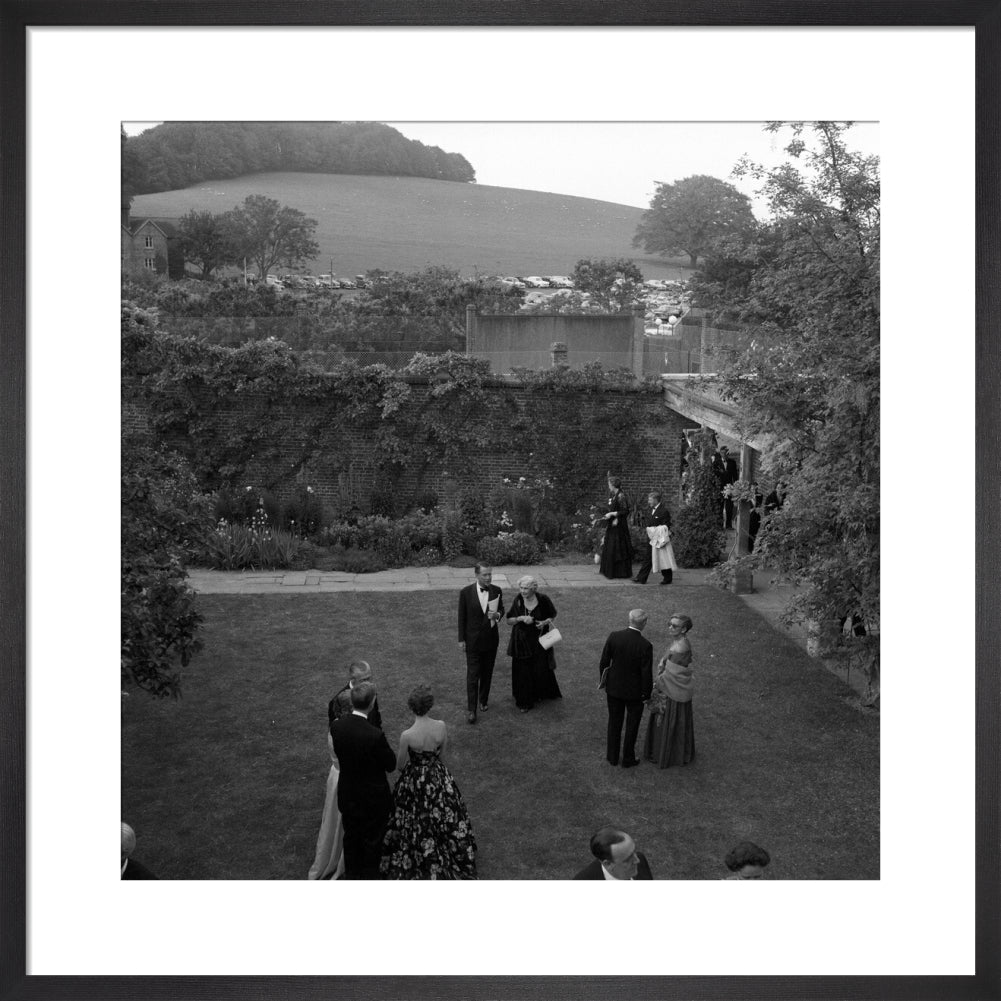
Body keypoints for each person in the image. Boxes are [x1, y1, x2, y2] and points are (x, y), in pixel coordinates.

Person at [380, 684, 477, 879]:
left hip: (414, 780)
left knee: (412, 817)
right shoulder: (440, 726)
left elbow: (399, 765)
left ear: (411, 706)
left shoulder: (407, 735)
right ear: (429, 705)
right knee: (444, 813)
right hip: (437, 776)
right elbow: (443, 754)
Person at [330, 680, 396, 879]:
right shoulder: (374, 735)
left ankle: (352, 876)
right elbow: (391, 764)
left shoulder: (337, 727)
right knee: (372, 842)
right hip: (372, 799)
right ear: (371, 703)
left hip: (348, 793)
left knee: (351, 838)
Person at [598, 609, 653, 767]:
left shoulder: (614, 636)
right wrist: (646, 694)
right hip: (635, 693)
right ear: (644, 623)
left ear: (629, 620)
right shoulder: (645, 645)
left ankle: (612, 757)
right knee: (632, 725)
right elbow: (646, 673)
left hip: (614, 689)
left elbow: (604, 662)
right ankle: (628, 758)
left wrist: (604, 680)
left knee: (614, 722)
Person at [643, 613, 695, 768]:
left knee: (667, 721)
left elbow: (671, 674)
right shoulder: (680, 642)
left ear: (684, 629)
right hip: (672, 689)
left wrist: (656, 684)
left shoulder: (680, 648)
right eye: (669, 624)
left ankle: (665, 753)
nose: (670, 628)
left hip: (671, 693)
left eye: (675, 626)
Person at [505, 575, 562, 713]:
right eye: (521, 588)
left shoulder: (543, 599)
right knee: (523, 671)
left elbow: (552, 615)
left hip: (540, 640)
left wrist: (543, 622)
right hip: (521, 642)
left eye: (526, 588)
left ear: (533, 589)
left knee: (540, 668)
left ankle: (540, 694)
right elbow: (509, 620)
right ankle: (524, 702)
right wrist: (520, 618)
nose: (523, 591)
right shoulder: (518, 600)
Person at [457, 563, 504, 724]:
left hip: (491, 641)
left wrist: (497, 615)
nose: (488, 577)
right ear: (476, 575)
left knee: (487, 673)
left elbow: (501, 610)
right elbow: (461, 617)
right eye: (485, 575)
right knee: (472, 675)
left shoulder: (496, 590)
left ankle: (483, 700)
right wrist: (461, 639)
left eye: (490, 574)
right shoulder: (465, 592)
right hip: (472, 642)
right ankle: (472, 709)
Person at [573, 826, 653, 880]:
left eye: (634, 851)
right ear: (608, 864)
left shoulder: (640, 859)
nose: (637, 860)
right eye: (628, 859)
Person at [633, 490, 675, 585]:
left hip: (659, 540)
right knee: (648, 558)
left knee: (663, 558)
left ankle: (668, 578)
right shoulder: (651, 510)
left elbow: (667, 525)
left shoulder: (664, 511)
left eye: (650, 500)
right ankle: (641, 578)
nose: (649, 502)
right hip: (651, 539)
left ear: (656, 500)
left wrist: (656, 530)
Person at [328, 660, 382, 731]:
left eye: (369, 678)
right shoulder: (337, 701)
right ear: (352, 679)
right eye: (363, 680)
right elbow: (335, 730)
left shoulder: (370, 691)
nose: (367, 683)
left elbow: (376, 717)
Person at [599, 475, 634, 579]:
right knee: (610, 546)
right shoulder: (613, 495)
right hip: (613, 525)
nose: (608, 486)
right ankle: (609, 571)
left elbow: (625, 511)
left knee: (617, 548)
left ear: (613, 484)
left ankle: (619, 573)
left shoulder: (621, 495)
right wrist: (608, 515)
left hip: (619, 527)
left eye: (609, 484)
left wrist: (613, 514)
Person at [719, 446, 739, 528]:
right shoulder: (716, 463)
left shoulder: (732, 462)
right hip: (719, 488)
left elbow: (735, 476)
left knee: (729, 508)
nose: (724, 454)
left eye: (726, 453)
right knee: (720, 507)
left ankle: (728, 525)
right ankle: (719, 525)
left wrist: (735, 487)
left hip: (729, 488)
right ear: (720, 453)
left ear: (728, 453)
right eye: (722, 453)